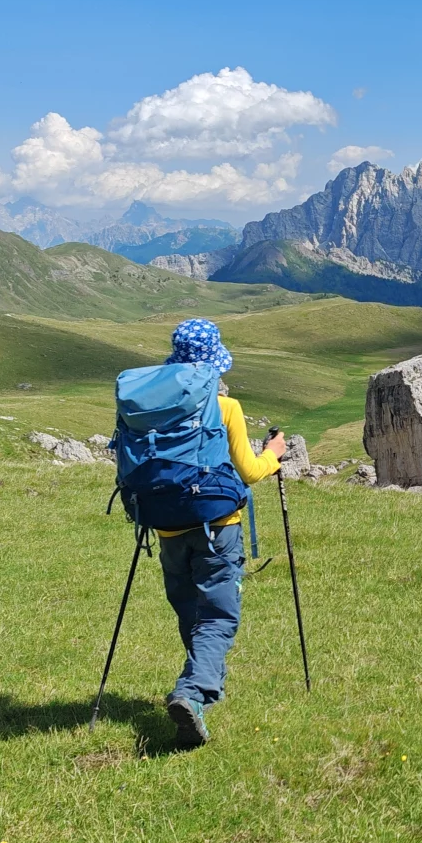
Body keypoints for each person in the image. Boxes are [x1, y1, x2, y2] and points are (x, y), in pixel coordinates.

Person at [157, 318, 284, 749]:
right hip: (218, 527)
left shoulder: (155, 406)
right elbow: (248, 471)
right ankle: (192, 694)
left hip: (167, 527)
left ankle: (206, 692)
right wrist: (274, 454)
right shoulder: (226, 407)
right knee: (219, 615)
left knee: (190, 610)